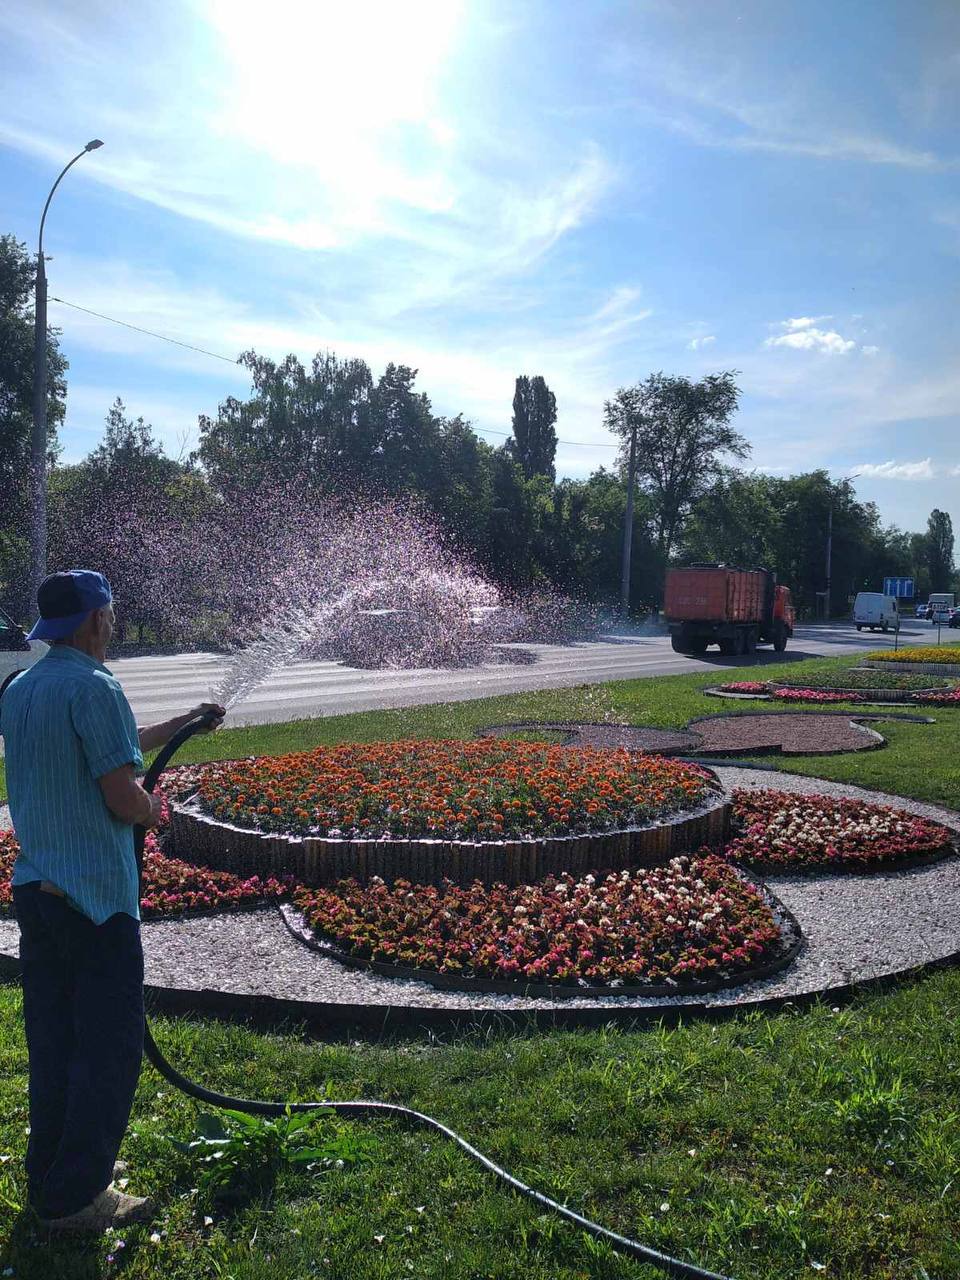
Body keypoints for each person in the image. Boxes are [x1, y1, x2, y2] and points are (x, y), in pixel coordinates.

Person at [0, 570, 225, 1234]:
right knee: (107, 1048)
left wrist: (183, 724)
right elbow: (122, 796)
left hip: (38, 893)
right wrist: (154, 811)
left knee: (56, 1043)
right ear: (96, 619)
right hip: (93, 901)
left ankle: (54, 1176)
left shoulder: (22, 687)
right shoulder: (96, 687)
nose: (115, 624)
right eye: (112, 614)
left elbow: (103, 751)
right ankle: (76, 1197)